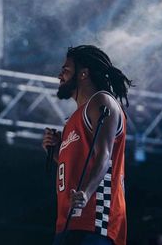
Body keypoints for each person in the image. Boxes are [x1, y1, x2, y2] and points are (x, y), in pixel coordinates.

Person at [42, 45, 133, 245]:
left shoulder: (101, 101)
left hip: (95, 222)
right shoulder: (72, 121)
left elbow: (104, 156)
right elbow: (78, 165)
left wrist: (85, 192)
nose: (60, 75)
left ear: (83, 74)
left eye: (66, 70)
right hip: (69, 223)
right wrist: (56, 151)